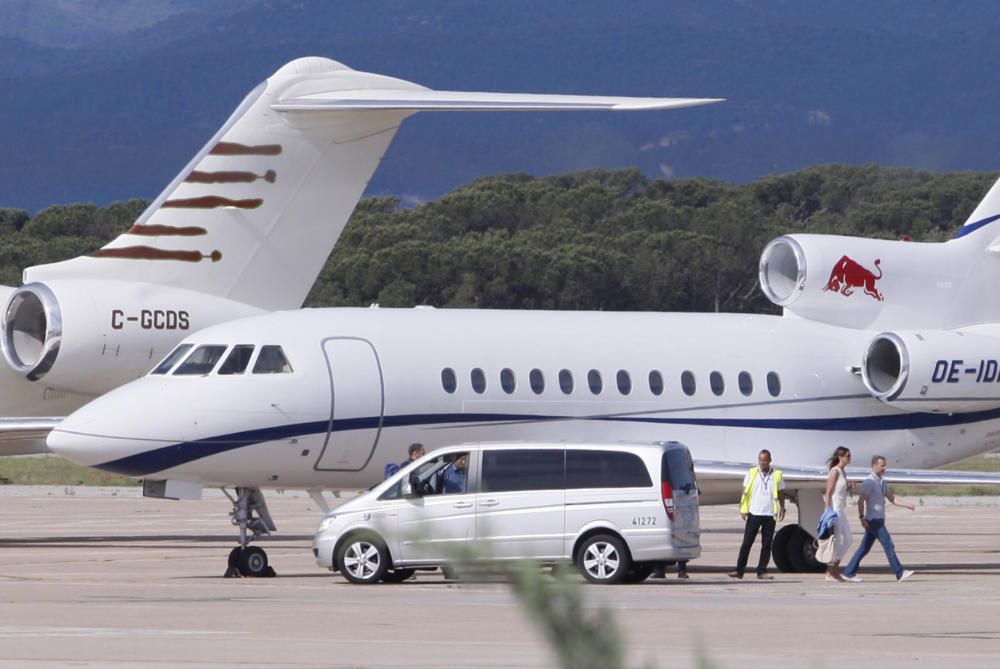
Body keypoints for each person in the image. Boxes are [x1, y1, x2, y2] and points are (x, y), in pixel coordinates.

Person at [841, 455, 915, 582]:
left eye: (885, 465)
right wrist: (861, 518)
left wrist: (907, 505)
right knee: (888, 545)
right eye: (882, 465)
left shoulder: (881, 482)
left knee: (864, 548)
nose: (885, 468)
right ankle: (899, 573)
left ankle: (848, 572)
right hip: (874, 520)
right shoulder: (869, 482)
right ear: (874, 466)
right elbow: (860, 501)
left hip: (879, 519)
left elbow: (892, 498)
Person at [729, 449, 785, 580]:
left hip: (770, 514)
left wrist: (782, 507)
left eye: (765, 460)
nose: (763, 463)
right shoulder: (752, 473)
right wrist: (743, 508)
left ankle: (761, 571)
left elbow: (781, 492)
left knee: (766, 545)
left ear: (770, 460)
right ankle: (739, 570)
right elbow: (745, 491)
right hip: (754, 513)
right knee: (747, 543)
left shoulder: (777, 475)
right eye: (760, 460)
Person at [821, 446, 855, 582]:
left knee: (848, 539)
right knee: (835, 542)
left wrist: (849, 487)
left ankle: (833, 569)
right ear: (840, 457)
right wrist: (828, 512)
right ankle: (831, 572)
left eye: (849, 455)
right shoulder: (834, 472)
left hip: (841, 509)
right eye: (847, 455)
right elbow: (828, 493)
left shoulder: (842, 471)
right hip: (834, 510)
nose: (849, 458)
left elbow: (839, 491)